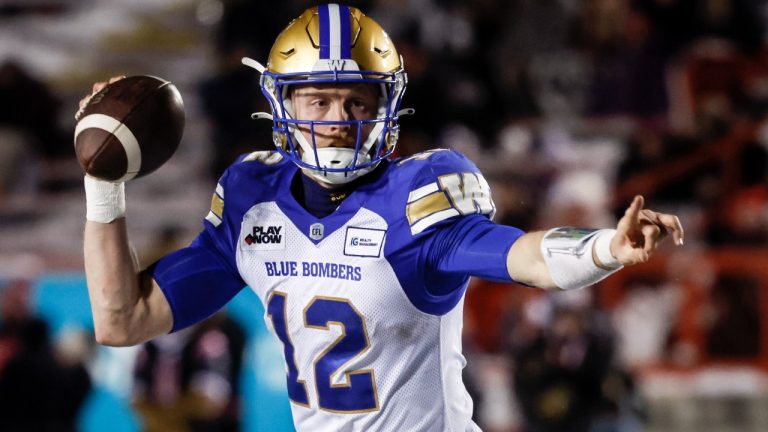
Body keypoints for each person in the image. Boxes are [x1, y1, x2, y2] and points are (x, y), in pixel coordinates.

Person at [79, 4, 683, 431]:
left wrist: (604, 246)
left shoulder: (418, 193)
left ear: (385, 106)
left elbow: (525, 257)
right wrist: (104, 186)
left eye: (356, 101)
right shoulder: (251, 197)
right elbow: (121, 319)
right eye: (317, 100)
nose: (337, 118)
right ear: (281, 106)